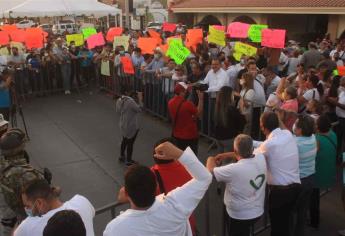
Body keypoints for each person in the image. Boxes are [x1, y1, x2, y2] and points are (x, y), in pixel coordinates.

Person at [104, 141, 212, 236]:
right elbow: (204, 178)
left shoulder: (115, 229)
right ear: (155, 186)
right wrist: (178, 153)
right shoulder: (175, 206)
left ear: (127, 193)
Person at [207, 134, 267, 236]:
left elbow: (211, 171)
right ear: (252, 149)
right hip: (257, 212)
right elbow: (245, 153)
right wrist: (225, 155)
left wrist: (210, 159)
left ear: (235, 151)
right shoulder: (261, 156)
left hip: (238, 216)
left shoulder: (234, 169)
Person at [253, 112, 301, 236]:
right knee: (286, 223)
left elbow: (252, 154)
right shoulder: (287, 134)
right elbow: (264, 145)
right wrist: (251, 141)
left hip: (280, 194)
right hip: (295, 188)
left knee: (277, 227)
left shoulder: (269, 145)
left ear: (263, 127)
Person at [0, 129, 44, 235]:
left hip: (9, 210)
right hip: (25, 216)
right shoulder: (26, 174)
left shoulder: (4, 165)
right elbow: (44, 198)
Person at [149, 137, 196, 235]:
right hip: (187, 225)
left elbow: (123, 195)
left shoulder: (151, 174)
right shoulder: (189, 168)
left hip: (166, 228)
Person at [14, 179, 95, 236]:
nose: (26, 209)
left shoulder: (29, 225)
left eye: (27, 206)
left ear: (39, 203)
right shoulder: (81, 202)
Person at [310, 115, 337, 229]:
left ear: (318, 127)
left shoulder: (317, 139)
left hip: (317, 173)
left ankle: (314, 221)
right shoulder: (333, 134)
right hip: (328, 170)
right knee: (314, 197)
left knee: (313, 198)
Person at [293, 115, 317, 236]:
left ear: (300, 129)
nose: (294, 126)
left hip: (298, 182)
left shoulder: (295, 143)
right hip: (310, 179)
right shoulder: (312, 138)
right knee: (302, 211)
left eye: (296, 124)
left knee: (291, 212)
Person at [168, 82, 204, 154]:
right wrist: (201, 99)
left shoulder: (170, 102)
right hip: (190, 135)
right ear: (181, 92)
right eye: (185, 91)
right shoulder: (187, 104)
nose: (187, 93)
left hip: (176, 134)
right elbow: (199, 112)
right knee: (191, 157)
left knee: (180, 157)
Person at [116, 88, 143, 166]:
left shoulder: (119, 100)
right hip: (131, 125)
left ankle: (121, 156)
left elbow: (118, 111)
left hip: (122, 123)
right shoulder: (130, 101)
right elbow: (140, 109)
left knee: (124, 140)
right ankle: (129, 160)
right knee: (130, 143)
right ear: (126, 92)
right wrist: (140, 99)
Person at [214, 86, 245, 153]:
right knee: (227, 161)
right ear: (229, 96)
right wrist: (242, 110)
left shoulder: (218, 107)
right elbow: (242, 123)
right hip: (229, 139)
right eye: (232, 94)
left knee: (220, 158)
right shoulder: (232, 110)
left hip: (218, 137)